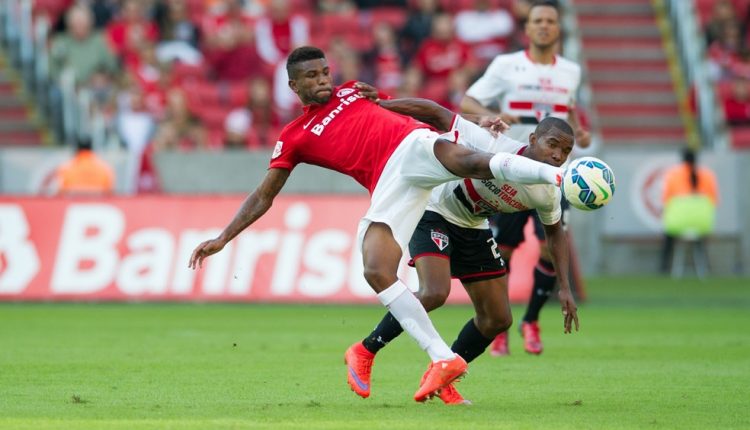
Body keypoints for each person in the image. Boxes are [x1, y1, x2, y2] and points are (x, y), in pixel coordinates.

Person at [188, 46, 568, 402]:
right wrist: (223, 237)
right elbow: (263, 195)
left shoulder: (353, 91)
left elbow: (415, 109)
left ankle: (557, 176)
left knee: (470, 162)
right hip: (389, 182)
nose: (323, 80)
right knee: (375, 268)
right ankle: (436, 357)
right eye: (312, 76)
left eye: (325, 72)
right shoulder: (294, 137)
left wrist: (470, 121)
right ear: (294, 86)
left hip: (413, 146)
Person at [344, 98, 579, 405]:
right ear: (532, 140)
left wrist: (564, 288)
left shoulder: (547, 191)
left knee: (497, 318)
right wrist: (381, 104)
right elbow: (437, 113)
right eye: (552, 145)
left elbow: (555, 234)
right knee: (434, 292)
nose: (557, 156)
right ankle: (364, 351)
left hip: (473, 225)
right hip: (433, 209)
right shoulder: (493, 141)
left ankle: (444, 375)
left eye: (565, 151)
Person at [459, 0, 590, 356]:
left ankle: (531, 319)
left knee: (550, 244)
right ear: (528, 29)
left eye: (550, 20)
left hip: (553, 176)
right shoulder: (506, 65)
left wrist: (581, 131)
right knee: (504, 249)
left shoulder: (571, 72)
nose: (545, 26)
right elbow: (467, 103)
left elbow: (570, 111)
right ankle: (500, 326)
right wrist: (493, 115)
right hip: (510, 172)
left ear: (557, 28)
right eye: (538, 21)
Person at [659, 148, 719, 274]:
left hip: (677, 225)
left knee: (668, 237)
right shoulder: (708, 175)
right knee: (700, 239)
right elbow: (714, 201)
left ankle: (664, 268)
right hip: (703, 224)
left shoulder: (673, 175)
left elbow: (665, 201)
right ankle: (705, 267)